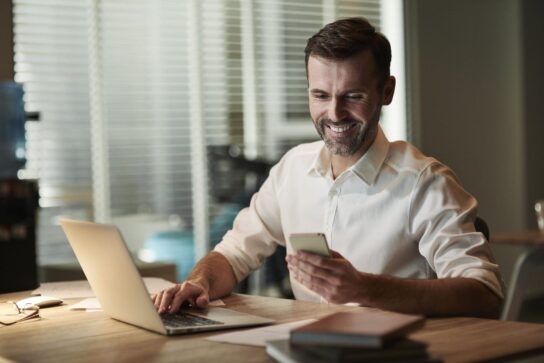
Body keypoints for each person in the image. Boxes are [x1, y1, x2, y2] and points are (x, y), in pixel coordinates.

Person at [153, 17, 503, 318]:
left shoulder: (424, 183)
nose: (334, 114)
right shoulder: (293, 169)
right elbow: (234, 253)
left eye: (353, 96)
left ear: (386, 91)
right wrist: (199, 283)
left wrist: (366, 289)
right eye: (321, 96)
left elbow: (486, 294)